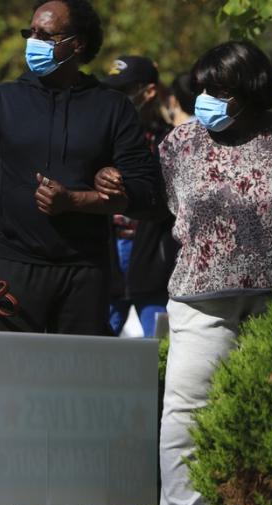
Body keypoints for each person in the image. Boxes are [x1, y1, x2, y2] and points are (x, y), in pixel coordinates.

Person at [97, 40, 272, 505]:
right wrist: (116, 189)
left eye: (218, 89)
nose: (205, 97)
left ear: (248, 89)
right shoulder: (180, 144)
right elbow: (149, 204)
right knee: (185, 412)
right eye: (202, 87)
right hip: (200, 302)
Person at [0, 1, 161, 505]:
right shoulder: (2, 102)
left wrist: (85, 200)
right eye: (32, 32)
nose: (34, 42)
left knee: (74, 407)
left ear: (77, 46)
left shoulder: (111, 109)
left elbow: (143, 193)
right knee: (0, 402)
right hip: (13, 271)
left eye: (46, 34)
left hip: (84, 276)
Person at [102, 56, 178, 337]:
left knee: (159, 348)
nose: (116, 99)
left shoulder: (169, 141)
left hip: (153, 261)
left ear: (149, 92)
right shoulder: (102, 136)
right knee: (95, 350)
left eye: (124, 91)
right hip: (108, 259)